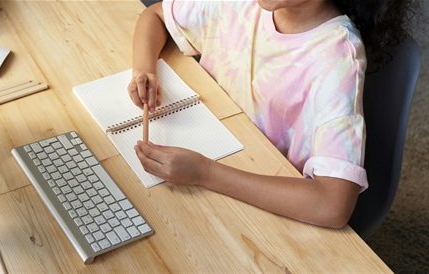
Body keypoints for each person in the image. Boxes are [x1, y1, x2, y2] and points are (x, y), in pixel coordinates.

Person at [127, 0, 416, 228]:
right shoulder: (241, 4)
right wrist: (144, 70)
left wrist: (205, 172)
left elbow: (333, 204)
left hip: (255, 197)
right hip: (211, 161)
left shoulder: (337, 61)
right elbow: (155, 15)